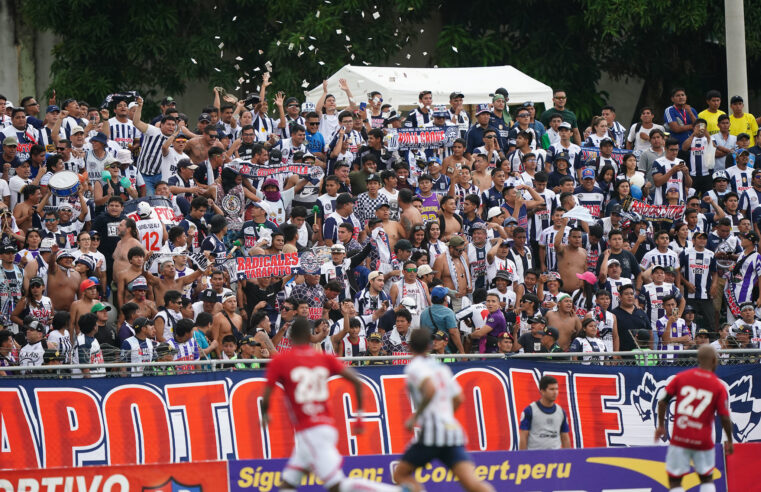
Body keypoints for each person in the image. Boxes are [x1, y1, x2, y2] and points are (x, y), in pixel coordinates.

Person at [261, 317, 414, 492]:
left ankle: (397, 491)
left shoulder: (281, 361)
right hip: (323, 427)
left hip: (312, 431)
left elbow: (267, 391)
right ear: (309, 336)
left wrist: (265, 413)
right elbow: (356, 382)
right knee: (287, 484)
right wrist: (359, 416)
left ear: (291, 337)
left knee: (337, 486)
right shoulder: (324, 358)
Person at [393, 329, 495, 492]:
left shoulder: (414, 367)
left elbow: (430, 389)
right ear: (429, 346)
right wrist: (445, 417)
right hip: (452, 432)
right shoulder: (441, 368)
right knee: (472, 483)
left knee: (400, 475)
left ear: (410, 347)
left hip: (431, 434)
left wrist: (415, 417)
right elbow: (459, 398)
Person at [655, 345, 733, 492]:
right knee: (707, 478)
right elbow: (724, 416)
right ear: (715, 360)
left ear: (698, 359)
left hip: (680, 439)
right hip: (703, 440)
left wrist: (660, 426)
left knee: (675, 481)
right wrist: (729, 438)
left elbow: (662, 401)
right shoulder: (718, 386)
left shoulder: (681, 377)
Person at [518, 375, 571, 450]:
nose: (555, 392)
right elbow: (523, 437)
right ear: (542, 391)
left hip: (555, 459)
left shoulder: (561, 412)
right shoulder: (530, 411)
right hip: (535, 458)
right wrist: (523, 459)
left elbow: (565, 438)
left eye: (556, 389)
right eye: (551, 389)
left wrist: (568, 457)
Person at [420, 285, 464, 353]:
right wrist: (462, 352)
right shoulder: (448, 312)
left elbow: (422, 334)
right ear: (445, 298)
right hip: (444, 351)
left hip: (428, 352)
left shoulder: (424, 313)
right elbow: (453, 333)